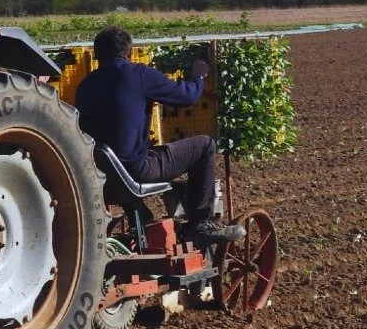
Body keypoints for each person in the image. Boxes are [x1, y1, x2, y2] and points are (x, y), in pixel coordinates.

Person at [74, 25, 244, 246]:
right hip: (136, 170)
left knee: (125, 151)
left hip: (100, 176)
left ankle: (143, 220)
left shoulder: (85, 86)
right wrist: (199, 77)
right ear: (130, 53)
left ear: (96, 56)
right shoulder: (139, 74)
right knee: (206, 146)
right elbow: (186, 96)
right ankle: (200, 224)